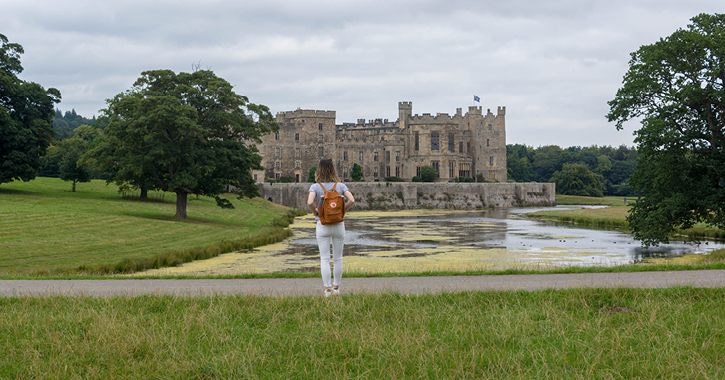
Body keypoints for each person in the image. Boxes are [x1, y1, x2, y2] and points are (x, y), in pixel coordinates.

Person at [307, 158, 355, 297]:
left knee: (325, 258)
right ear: (333, 170)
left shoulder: (315, 187)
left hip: (322, 224)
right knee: (338, 258)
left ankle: (327, 290)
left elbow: (310, 202)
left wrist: (316, 212)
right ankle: (336, 288)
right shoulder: (340, 186)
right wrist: (342, 211)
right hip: (338, 224)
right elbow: (351, 200)